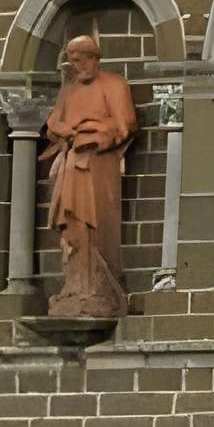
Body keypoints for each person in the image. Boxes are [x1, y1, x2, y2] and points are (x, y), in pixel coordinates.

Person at [41, 32, 138, 320]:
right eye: (73, 62)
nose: (78, 66)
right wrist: (65, 131)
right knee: (71, 226)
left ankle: (99, 288)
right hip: (71, 162)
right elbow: (52, 123)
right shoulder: (69, 90)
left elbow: (126, 125)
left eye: (81, 60)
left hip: (97, 166)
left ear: (94, 58)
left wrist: (93, 134)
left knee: (92, 222)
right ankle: (75, 286)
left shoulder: (114, 84)